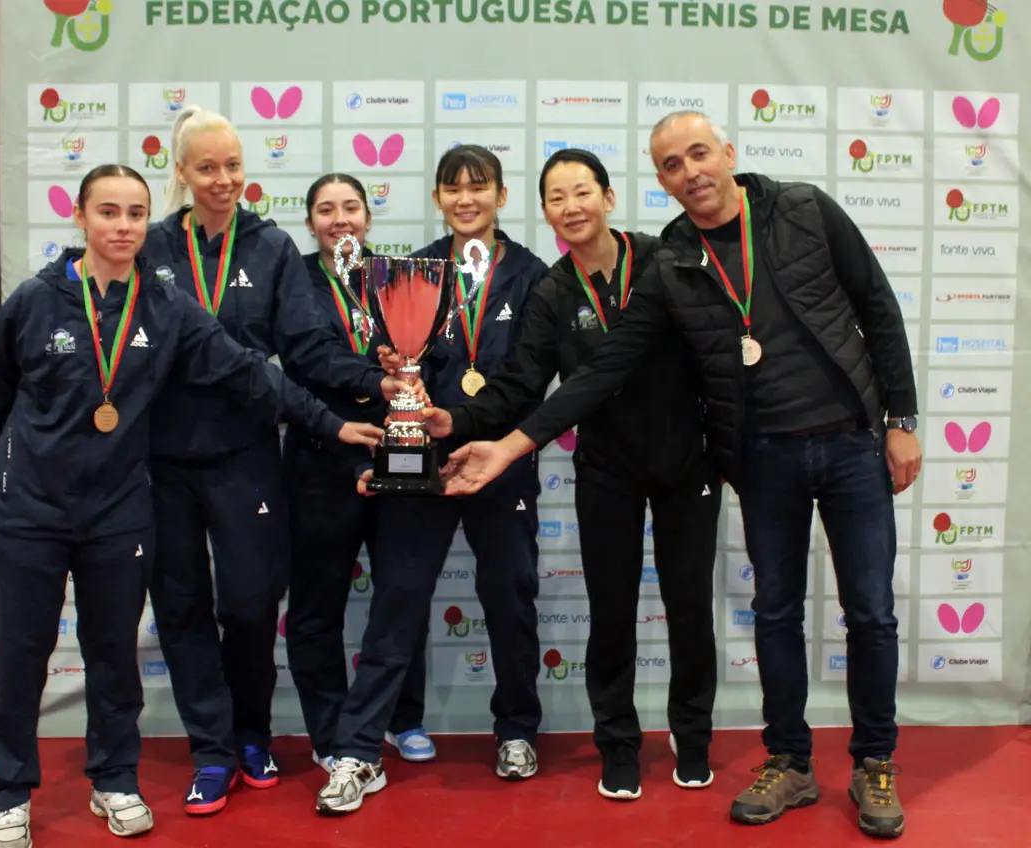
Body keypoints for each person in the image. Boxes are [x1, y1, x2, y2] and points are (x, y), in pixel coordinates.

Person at [437, 111, 921, 839]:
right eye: (672, 163)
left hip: (813, 447)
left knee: (865, 613)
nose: (689, 171)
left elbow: (877, 307)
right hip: (716, 461)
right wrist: (498, 441)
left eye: (699, 154)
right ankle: (774, 758)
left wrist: (903, 420)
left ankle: (861, 760)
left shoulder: (753, 227)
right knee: (772, 613)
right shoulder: (623, 273)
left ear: (725, 153)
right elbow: (597, 370)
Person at [0, 164, 383, 848]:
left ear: (147, 222)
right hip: (32, 512)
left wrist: (334, 423)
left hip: (118, 511)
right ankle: (8, 795)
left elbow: (248, 370)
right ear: (80, 219)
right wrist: (33, 463)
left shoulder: (164, 305)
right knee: (21, 653)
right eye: (109, 213)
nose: (124, 226)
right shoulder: (33, 301)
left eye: (135, 213)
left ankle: (114, 780)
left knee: (113, 653)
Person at [420, 147, 721, 800]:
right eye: (556, 198)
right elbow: (522, 385)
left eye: (582, 192)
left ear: (608, 199)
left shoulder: (665, 263)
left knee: (689, 605)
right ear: (545, 211)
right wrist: (455, 421)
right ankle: (617, 741)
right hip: (607, 469)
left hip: (685, 465)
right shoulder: (552, 291)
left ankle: (692, 735)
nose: (571, 207)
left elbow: (714, 353)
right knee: (611, 611)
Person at [139, 106, 410, 815]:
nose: (223, 180)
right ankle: (212, 749)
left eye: (232, 166)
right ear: (183, 172)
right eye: (207, 167)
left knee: (254, 605)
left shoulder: (270, 248)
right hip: (163, 459)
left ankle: (252, 732)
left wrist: (371, 384)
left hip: (248, 453)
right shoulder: (154, 246)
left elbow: (308, 347)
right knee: (181, 604)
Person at [315, 145, 548, 815]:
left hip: (498, 458)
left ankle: (517, 729)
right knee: (399, 598)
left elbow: (529, 379)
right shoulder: (410, 273)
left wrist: (465, 421)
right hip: (420, 460)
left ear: (502, 197)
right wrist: (390, 359)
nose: (466, 199)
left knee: (510, 593)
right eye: (453, 188)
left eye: (479, 188)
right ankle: (361, 751)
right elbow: (382, 362)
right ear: (439, 196)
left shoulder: (532, 275)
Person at [284, 173, 432, 773]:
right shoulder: (292, 277)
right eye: (325, 209)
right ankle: (328, 730)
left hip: (397, 453)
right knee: (317, 605)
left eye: (350, 207)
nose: (339, 219)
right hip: (322, 455)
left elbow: (426, 355)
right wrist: (375, 376)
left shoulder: (400, 278)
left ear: (369, 218)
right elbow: (303, 355)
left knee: (401, 594)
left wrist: (406, 369)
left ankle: (404, 716)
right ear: (311, 221)